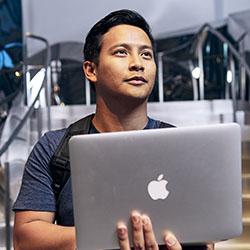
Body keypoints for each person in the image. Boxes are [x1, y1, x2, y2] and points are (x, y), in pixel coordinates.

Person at [13, 9, 214, 250]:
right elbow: (26, 238)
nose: (137, 64)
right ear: (91, 70)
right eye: (121, 52)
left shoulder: (179, 147)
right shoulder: (55, 148)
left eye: (146, 55)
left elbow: (205, 237)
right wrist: (111, 238)